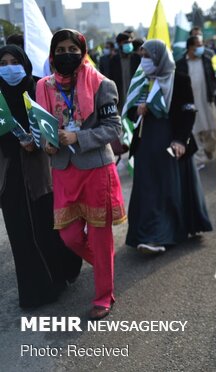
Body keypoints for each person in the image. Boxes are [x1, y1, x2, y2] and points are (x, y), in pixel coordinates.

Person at [36, 29, 126, 320]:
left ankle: (103, 295)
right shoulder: (44, 87)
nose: (65, 54)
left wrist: (80, 138)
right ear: (52, 54)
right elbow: (42, 127)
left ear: (82, 50)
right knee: (69, 236)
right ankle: (105, 265)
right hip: (63, 170)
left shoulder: (102, 84)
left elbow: (114, 128)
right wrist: (46, 144)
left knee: (100, 236)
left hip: (96, 169)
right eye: (59, 49)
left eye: (71, 48)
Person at [0, 45, 82, 309]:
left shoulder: (40, 88)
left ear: (25, 63)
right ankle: (35, 292)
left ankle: (61, 275)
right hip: (9, 175)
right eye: (4, 62)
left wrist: (37, 141)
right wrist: (14, 144)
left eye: (15, 61)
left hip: (42, 173)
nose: (9, 67)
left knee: (49, 228)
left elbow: (55, 123)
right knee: (21, 235)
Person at [124, 39, 212, 254]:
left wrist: (180, 140)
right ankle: (146, 235)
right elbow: (128, 110)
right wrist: (137, 110)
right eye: (142, 56)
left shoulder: (179, 79)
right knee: (147, 188)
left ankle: (161, 236)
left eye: (148, 56)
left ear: (159, 57)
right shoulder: (141, 81)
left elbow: (187, 112)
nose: (143, 61)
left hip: (171, 141)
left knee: (167, 187)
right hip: (146, 143)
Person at [176, 36, 216, 167]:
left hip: (206, 100)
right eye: (198, 45)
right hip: (190, 103)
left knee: (212, 131)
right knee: (193, 131)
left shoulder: (207, 60)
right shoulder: (181, 63)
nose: (201, 47)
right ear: (190, 47)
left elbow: (213, 77)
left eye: (201, 44)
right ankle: (198, 160)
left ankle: (209, 149)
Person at [109, 32, 141, 108]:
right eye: (126, 42)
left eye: (130, 42)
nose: (129, 45)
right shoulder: (113, 60)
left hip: (135, 98)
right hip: (120, 99)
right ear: (120, 44)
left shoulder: (136, 58)